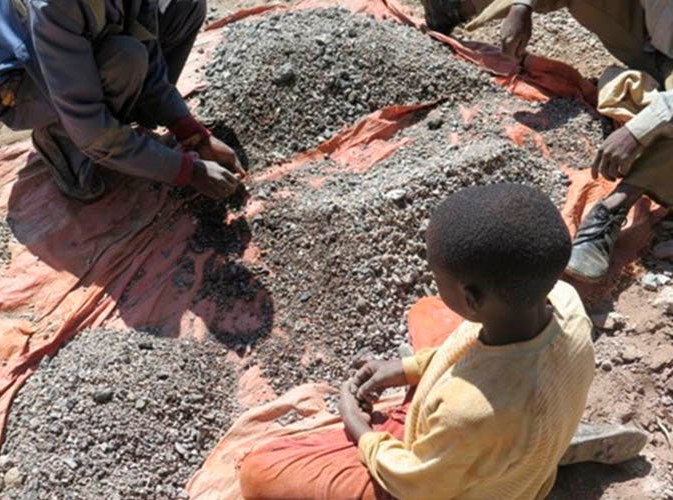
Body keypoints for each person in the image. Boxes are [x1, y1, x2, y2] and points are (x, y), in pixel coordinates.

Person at [238, 184, 646, 499]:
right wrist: (408, 368)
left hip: (450, 472)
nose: (436, 282)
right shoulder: (564, 301)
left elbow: (417, 486)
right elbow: (469, 339)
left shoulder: (468, 414)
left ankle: (466, 440)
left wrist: (358, 425)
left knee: (260, 471)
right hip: (513, 421)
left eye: (439, 276)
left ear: (471, 298)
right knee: (429, 312)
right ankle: (542, 444)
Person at [419, 0, 673, 282]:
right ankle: (456, 7)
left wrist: (636, 132)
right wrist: (521, 7)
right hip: (649, 46)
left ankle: (611, 210)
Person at [0, 0, 244, 202]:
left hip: (78, 49)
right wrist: (187, 171)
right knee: (124, 59)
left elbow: (149, 51)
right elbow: (91, 129)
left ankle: (124, 120)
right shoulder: (54, 6)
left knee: (185, 7)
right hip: (19, 86)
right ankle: (63, 143)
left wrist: (192, 133)